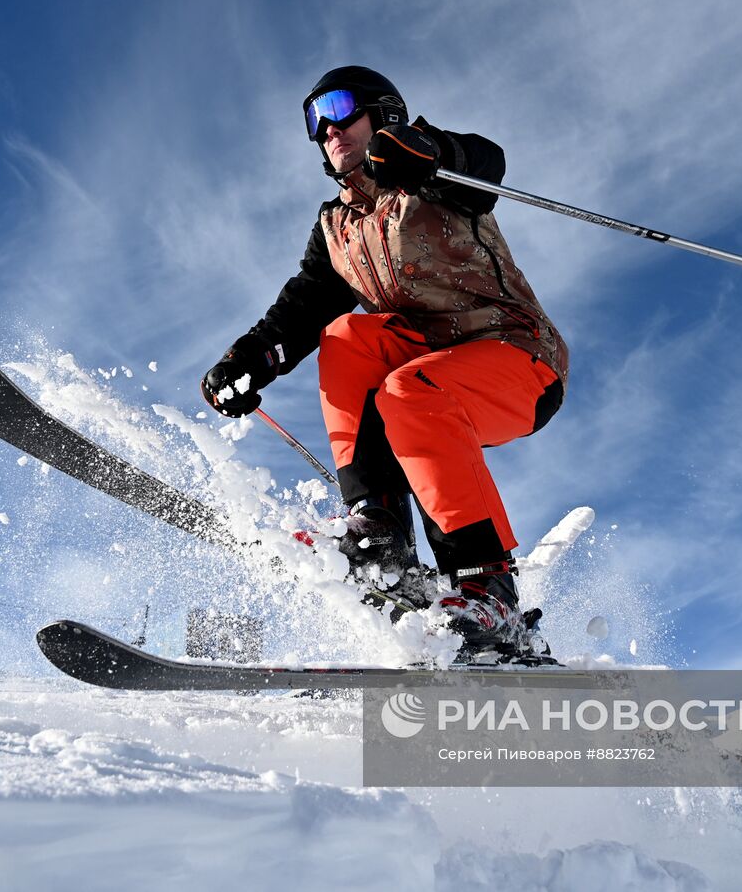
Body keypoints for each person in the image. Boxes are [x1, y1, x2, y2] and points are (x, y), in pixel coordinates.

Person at [201, 66, 568, 654]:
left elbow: (484, 165)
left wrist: (430, 152)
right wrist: (250, 360)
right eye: (313, 120)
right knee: (347, 334)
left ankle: (488, 587)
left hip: (517, 358)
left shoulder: (428, 171)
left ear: (382, 111)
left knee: (410, 391)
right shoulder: (336, 227)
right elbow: (300, 310)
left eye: (339, 108)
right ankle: (379, 530)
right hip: (423, 366)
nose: (327, 129)